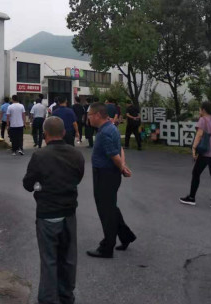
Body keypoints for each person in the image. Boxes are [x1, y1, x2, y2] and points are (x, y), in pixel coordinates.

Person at [23, 117, 85, 304]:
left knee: (49, 259)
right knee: (68, 258)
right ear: (64, 133)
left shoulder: (39, 156)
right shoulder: (76, 155)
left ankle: (49, 298)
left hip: (47, 213)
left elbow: (28, 184)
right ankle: (66, 296)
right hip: (69, 213)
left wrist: (39, 185)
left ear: (45, 134)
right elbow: (78, 177)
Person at [86, 102, 136, 258]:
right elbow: (119, 149)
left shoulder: (105, 132)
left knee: (105, 211)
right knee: (110, 207)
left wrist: (122, 168)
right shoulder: (111, 127)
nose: (88, 118)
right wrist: (122, 165)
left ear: (97, 115)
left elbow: (114, 154)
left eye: (89, 115)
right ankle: (126, 236)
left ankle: (107, 247)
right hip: (109, 173)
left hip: (105, 175)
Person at [180, 101, 211, 210]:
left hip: (206, 153)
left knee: (196, 173)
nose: (199, 111)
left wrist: (194, 148)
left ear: (203, 110)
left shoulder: (203, 120)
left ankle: (191, 198)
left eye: (200, 109)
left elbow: (199, 135)